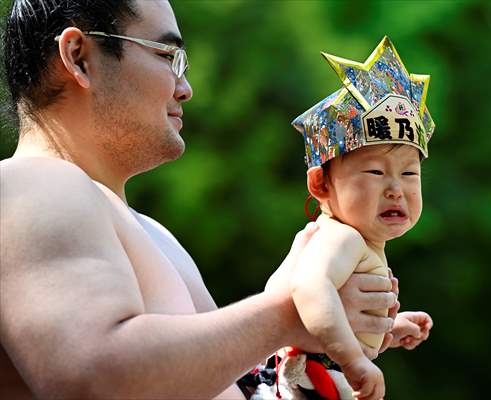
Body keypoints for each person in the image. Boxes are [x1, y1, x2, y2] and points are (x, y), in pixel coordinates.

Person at [0, 1, 401, 399]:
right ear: (78, 57)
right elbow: (93, 378)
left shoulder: (153, 233)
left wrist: (308, 356)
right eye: (167, 56)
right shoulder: (31, 183)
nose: (186, 88)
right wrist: (290, 311)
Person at [263, 37, 437, 400]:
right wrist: (355, 358)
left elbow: (330, 321)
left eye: (409, 174)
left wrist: (385, 331)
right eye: (374, 172)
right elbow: (310, 291)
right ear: (320, 183)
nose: (395, 189)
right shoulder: (342, 237)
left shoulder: (355, 241)